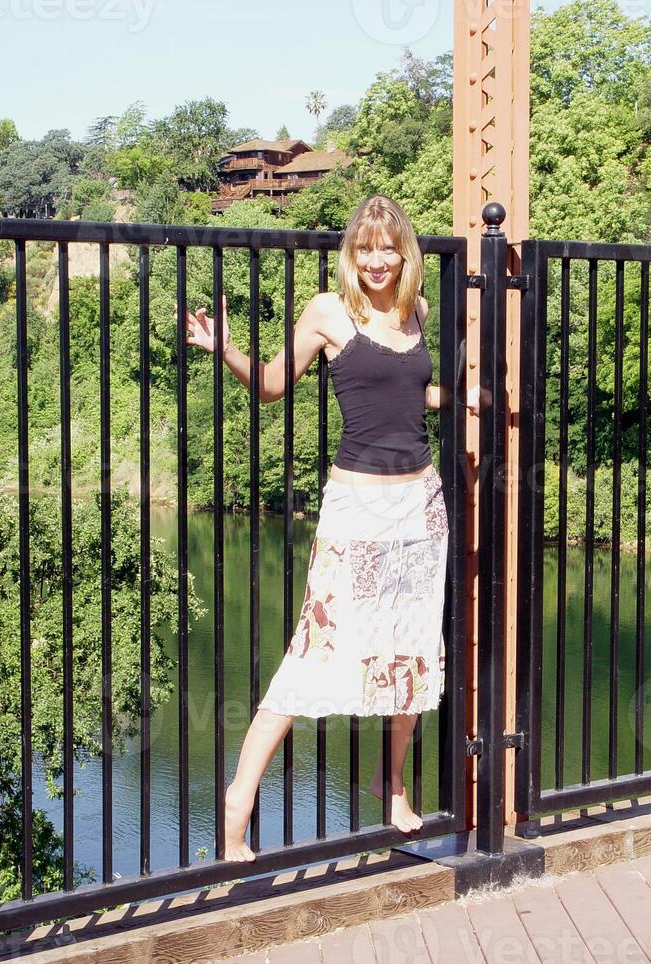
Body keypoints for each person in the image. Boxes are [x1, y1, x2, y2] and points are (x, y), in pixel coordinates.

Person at [185, 194, 481, 862]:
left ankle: (392, 784)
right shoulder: (327, 311)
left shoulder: (416, 312)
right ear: (350, 254)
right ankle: (238, 799)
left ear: (404, 252)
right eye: (364, 249)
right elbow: (269, 386)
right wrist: (225, 347)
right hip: (356, 508)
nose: (377, 261)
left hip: (420, 505)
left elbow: (406, 394)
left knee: (409, 649)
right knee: (314, 651)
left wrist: (460, 396)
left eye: (388, 248)